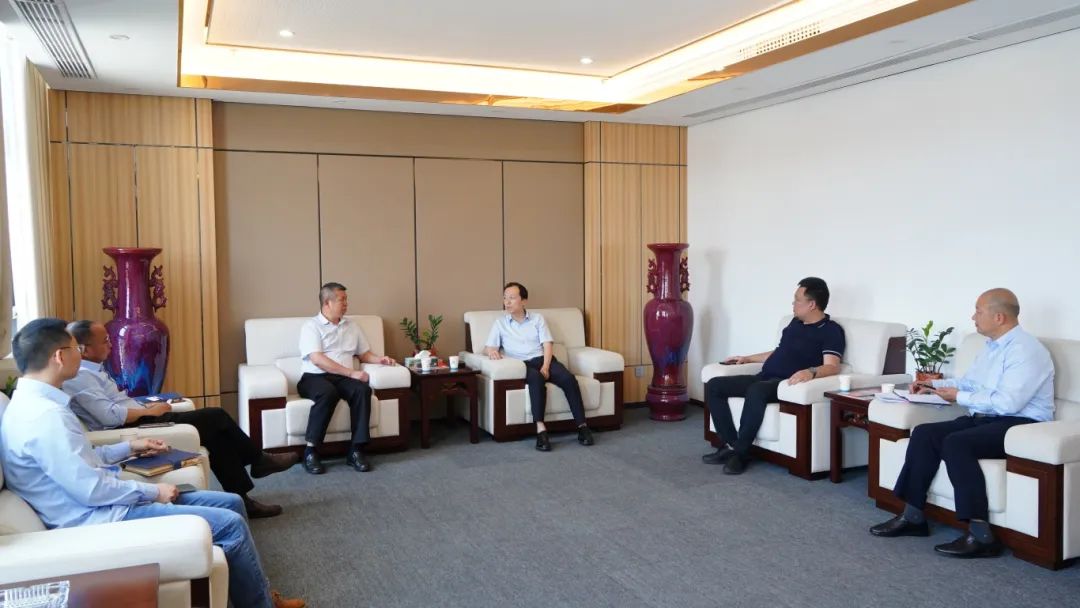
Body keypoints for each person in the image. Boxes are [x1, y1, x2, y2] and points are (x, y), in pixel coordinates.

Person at [0, 318, 304, 608]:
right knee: (231, 525)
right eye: (74, 349)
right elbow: (91, 490)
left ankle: (257, 592)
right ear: (59, 356)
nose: (80, 355)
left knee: (233, 503)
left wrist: (130, 446)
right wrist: (154, 492)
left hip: (104, 503)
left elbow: (85, 459)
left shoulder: (34, 405)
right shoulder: (46, 418)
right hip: (101, 518)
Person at [870, 288, 1054, 558]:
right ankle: (913, 516)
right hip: (985, 418)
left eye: (978, 311)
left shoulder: (1027, 351)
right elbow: (970, 383)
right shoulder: (991, 347)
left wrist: (958, 396)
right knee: (924, 434)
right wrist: (933, 386)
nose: (973, 317)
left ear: (999, 317)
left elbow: (1009, 403)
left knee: (957, 443)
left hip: (1020, 425)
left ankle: (981, 535)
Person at [63, 320, 297, 519]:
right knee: (216, 416)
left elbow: (116, 403)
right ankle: (258, 460)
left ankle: (244, 496)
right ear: (84, 349)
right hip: (128, 427)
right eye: (105, 340)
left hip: (136, 417)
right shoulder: (81, 376)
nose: (111, 344)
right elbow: (108, 415)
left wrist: (145, 406)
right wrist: (149, 412)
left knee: (215, 434)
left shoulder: (93, 369)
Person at [702, 277, 845, 474]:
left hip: (784, 384)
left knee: (757, 390)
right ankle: (730, 445)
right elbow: (779, 352)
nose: (793, 304)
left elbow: (832, 366)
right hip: (763, 377)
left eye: (797, 300)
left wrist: (810, 372)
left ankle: (740, 454)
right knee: (714, 385)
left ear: (812, 304)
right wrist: (747, 358)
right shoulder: (795, 323)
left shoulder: (831, 331)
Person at [297, 282, 395, 474]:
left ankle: (356, 450)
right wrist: (351, 373)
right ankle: (311, 452)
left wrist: (380, 360)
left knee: (362, 390)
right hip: (314, 377)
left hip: (342, 378)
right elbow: (317, 359)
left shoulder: (352, 326)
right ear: (327, 303)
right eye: (342, 300)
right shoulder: (311, 326)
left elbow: (364, 354)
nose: (346, 304)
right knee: (328, 393)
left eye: (346, 300)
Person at [484, 282, 594, 452]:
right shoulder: (500, 323)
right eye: (505, 298)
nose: (507, 302)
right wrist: (492, 351)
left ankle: (582, 426)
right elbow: (489, 347)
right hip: (522, 365)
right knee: (536, 380)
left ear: (524, 301)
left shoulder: (537, 319)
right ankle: (541, 430)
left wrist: (546, 366)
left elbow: (547, 344)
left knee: (568, 378)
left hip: (543, 359)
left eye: (512, 298)